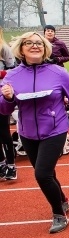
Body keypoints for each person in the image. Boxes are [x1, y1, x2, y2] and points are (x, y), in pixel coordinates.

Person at [0, 31, 69, 233]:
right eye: (29, 43)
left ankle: (58, 213)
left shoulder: (58, 72)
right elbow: (5, 110)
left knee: (41, 174)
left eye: (39, 43)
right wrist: (7, 98)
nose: (35, 46)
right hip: (27, 132)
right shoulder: (12, 76)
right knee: (48, 172)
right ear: (21, 49)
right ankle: (63, 200)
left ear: (45, 48)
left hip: (55, 129)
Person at [0, 30, 16, 180]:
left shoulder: (4, 48)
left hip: (1, 95)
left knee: (4, 132)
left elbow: (13, 70)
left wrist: (1, 74)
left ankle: (11, 165)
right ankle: (1, 163)